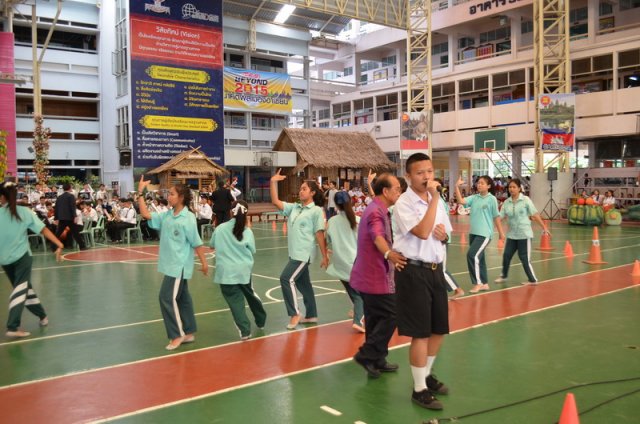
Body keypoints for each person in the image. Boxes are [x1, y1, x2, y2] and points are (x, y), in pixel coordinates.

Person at [392, 154, 452, 410]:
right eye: (420, 172)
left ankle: (425, 375)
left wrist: (445, 236)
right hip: (413, 272)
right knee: (420, 333)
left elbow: (442, 233)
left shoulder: (435, 202)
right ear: (408, 176)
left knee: (439, 329)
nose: (427, 176)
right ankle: (419, 390)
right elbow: (423, 231)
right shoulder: (403, 204)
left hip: (436, 270)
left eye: (429, 171)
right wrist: (435, 198)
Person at [137, 175, 209, 350]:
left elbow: (196, 242)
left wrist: (204, 263)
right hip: (169, 264)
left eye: (171, 194)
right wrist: (140, 193)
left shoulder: (188, 218)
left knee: (166, 298)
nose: (168, 197)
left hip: (179, 265)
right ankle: (189, 331)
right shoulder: (167, 215)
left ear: (181, 198)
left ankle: (177, 334)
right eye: (168, 194)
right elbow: (146, 214)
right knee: (183, 299)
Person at [351, 173, 406, 379]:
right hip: (373, 276)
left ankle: (377, 359)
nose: (399, 192)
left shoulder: (378, 207)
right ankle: (367, 354)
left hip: (368, 275)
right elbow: (377, 237)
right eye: (397, 189)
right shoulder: (376, 213)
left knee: (375, 318)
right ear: (386, 191)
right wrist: (389, 253)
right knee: (392, 314)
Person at [0, 181, 64, 338]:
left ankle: (16, 325)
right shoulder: (25, 212)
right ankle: (35, 317)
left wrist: (59, 244)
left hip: (15, 259)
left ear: (2, 197)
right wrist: (59, 243)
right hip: (18, 258)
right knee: (24, 289)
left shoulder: (22, 212)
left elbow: (42, 230)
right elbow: (44, 230)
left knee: (20, 289)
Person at [270, 169, 329, 330]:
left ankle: (295, 313)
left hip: (304, 254)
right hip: (293, 253)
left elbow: (319, 233)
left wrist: (324, 256)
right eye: (301, 188)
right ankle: (311, 314)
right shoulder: (294, 208)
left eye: (304, 189)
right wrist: (273, 181)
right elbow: (275, 201)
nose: (300, 191)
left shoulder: (316, 211)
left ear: (312, 193)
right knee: (304, 285)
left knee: (286, 279)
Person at [210, 200, 266, 340]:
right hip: (243, 271)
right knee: (251, 295)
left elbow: (212, 245)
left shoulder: (220, 228)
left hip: (226, 273)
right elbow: (252, 250)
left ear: (230, 211)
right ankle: (261, 319)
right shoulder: (247, 232)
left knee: (236, 303)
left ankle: (245, 331)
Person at [454, 175, 505, 293]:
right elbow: (461, 201)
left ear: (488, 186)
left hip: (485, 233)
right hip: (473, 233)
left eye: (482, 183)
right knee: (480, 258)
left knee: (472, 255)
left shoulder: (491, 199)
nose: (479, 185)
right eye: (478, 183)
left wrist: (501, 233)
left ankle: (478, 283)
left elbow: (496, 217)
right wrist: (456, 186)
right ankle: (485, 283)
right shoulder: (474, 197)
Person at [495, 179, 548, 286]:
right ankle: (503, 275)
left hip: (524, 234)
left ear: (519, 188)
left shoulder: (525, 200)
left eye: (514, 187)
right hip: (512, 234)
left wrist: (544, 227)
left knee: (524, 258)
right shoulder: (507, 202)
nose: (511, 189)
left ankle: (533, 280)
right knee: (506, 255)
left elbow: (535, 214)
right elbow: (500, 216)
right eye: (510, 187)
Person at [326, 191, 365, 333]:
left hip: (339, 263)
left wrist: (330, 252)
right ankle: (358, 321)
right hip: (355, 263)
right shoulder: (358, 221)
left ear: (336, 204)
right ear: (351, 202)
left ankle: (356, 312)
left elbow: (328, 240)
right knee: (361, 295)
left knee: (353, 292)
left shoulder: (331, 222)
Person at [54, 183, 87, 250]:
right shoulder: (71, 196)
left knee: (58, 233)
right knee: (75, 233)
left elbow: (56, 208)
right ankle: (82, 246)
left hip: (62, 218)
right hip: (69, 218)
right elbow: (73, 207)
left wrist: (56, 218)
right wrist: (75, 216)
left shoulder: (59, 197)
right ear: (70, 188)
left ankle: (53, 246)